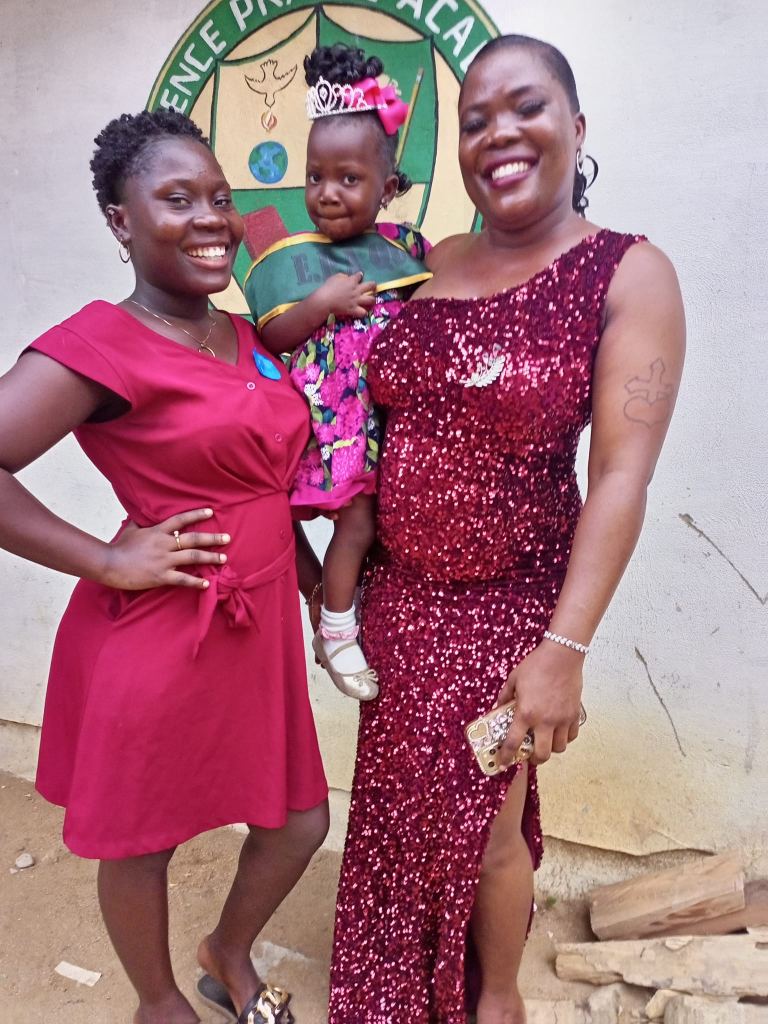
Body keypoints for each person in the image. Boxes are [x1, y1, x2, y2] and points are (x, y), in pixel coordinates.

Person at [329, 34, 686, 1024]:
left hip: (513, 613)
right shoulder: (423, 264)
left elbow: (621, 475)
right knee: (398, 807)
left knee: (487, 822)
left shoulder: (627, 272)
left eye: (526, 106)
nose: (499, 133)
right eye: (475, 119)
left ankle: (493, 997)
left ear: (576, 125)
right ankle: (390, 985)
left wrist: (564, 649)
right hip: (399, 602)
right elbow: (355, 410)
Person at [0, 110, 328, 1024]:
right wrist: (107, 558)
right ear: (121, 219)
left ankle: (227, 950)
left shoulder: (243, 335)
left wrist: (321, 597)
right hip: (162, 632)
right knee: (144, 841)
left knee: (299, 821)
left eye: (219, 198)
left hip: (258, 631)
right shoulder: (101, 342)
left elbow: (266, 490)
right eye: (178, 199)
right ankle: (158, 1002)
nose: (211, 218)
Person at [251, 44, 432, 702]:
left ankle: (346, 621)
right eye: (315, 176)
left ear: (387, 189)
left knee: (375, 529)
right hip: (326, 425)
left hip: (384, 429)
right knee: (342, 525)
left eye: (349, 179)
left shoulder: (406, 252)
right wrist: (321, 304)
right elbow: (272, 336)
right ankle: (330, 623)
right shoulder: (292, 259)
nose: (326, 192)